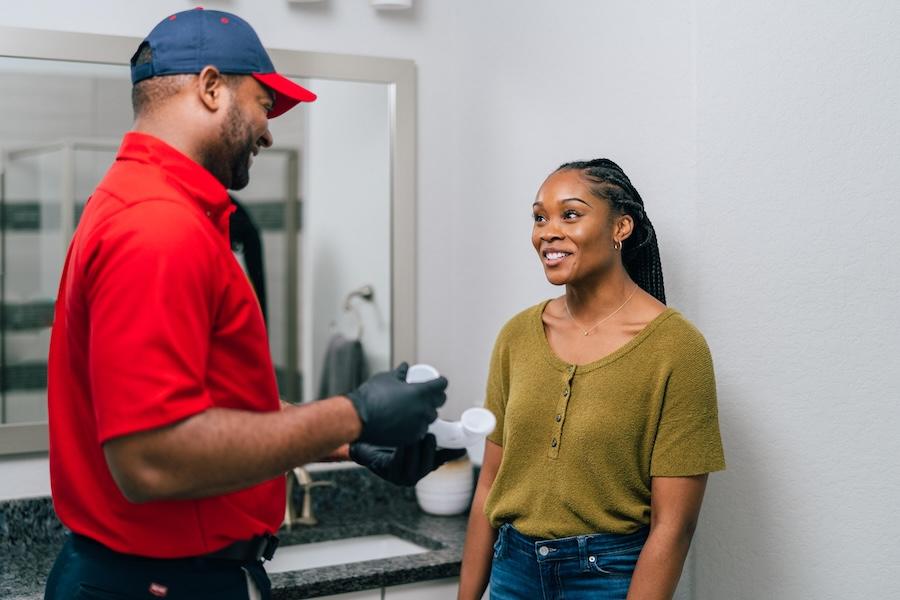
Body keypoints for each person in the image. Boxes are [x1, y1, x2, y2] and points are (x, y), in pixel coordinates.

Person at [44, 9, 462, 600]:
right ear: (211, 87)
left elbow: (213, 403)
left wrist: (347, 444)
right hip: (159, 584)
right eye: (264, 103)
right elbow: (150, 459)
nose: (269, 132)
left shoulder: (148, 207)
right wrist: (356, 412)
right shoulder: (158, 226)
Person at [458, 159, 726, 600]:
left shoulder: (677, 348)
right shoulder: (516, 336)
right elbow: (489, 485)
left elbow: (673, 526)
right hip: (512, 572)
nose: (547, 231)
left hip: (609, 577)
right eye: (539, 216)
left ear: (621, 227)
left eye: (570, 214)